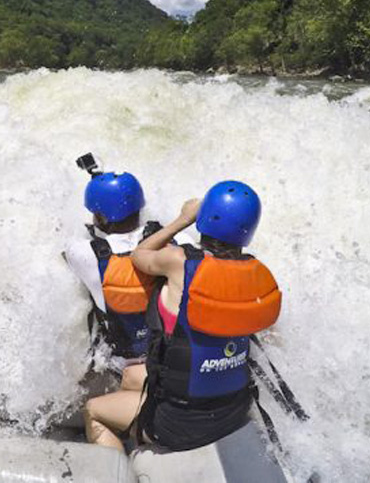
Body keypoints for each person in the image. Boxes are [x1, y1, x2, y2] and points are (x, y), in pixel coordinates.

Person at [84, 181, 282, 452]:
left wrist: (184, 219)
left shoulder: (180, 263)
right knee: (131, 376)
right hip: (234, 409)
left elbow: (140, 255)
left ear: (205, 219)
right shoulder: (256, 273)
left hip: (179, 425)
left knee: (93, 410)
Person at [65, 168, 178, 370]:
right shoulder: (177, 243)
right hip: (168, 357)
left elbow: (63, 253)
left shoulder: (83, 253)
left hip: (119, 364)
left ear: (100, 217)